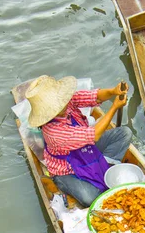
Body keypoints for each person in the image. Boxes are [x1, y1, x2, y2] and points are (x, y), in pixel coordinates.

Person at [25, 75, 132, 207]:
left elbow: (95, 96)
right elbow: (95, 135)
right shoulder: (53, 132)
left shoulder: (67, 102)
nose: (64, 103)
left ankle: (104, 165)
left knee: (124, 134)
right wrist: (114, 107)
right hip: (68, 170)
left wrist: (113, 91)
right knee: (91, 199)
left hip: (87, 148)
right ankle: (66, 182)